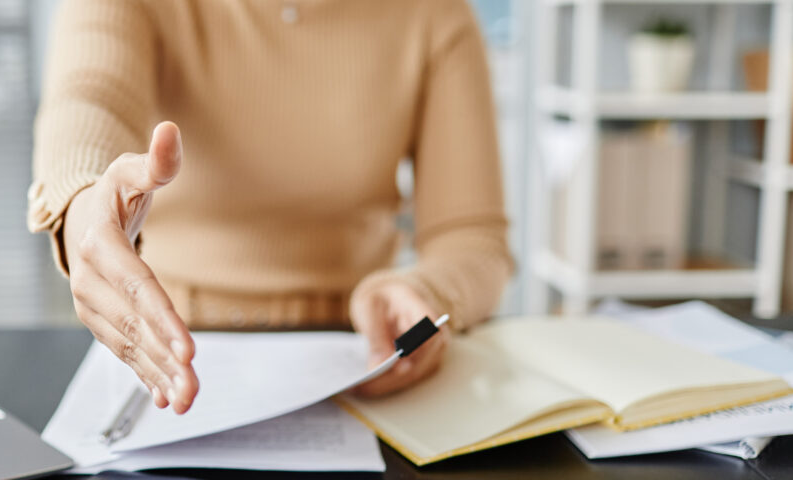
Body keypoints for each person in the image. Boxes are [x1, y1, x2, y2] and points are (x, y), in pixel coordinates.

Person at [27, 0, 513, 415]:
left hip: (362, 363)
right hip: (163, 353)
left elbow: (473, 238)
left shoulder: (436, 14)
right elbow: (89, 101)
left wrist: (426, 294)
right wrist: (86, 205)